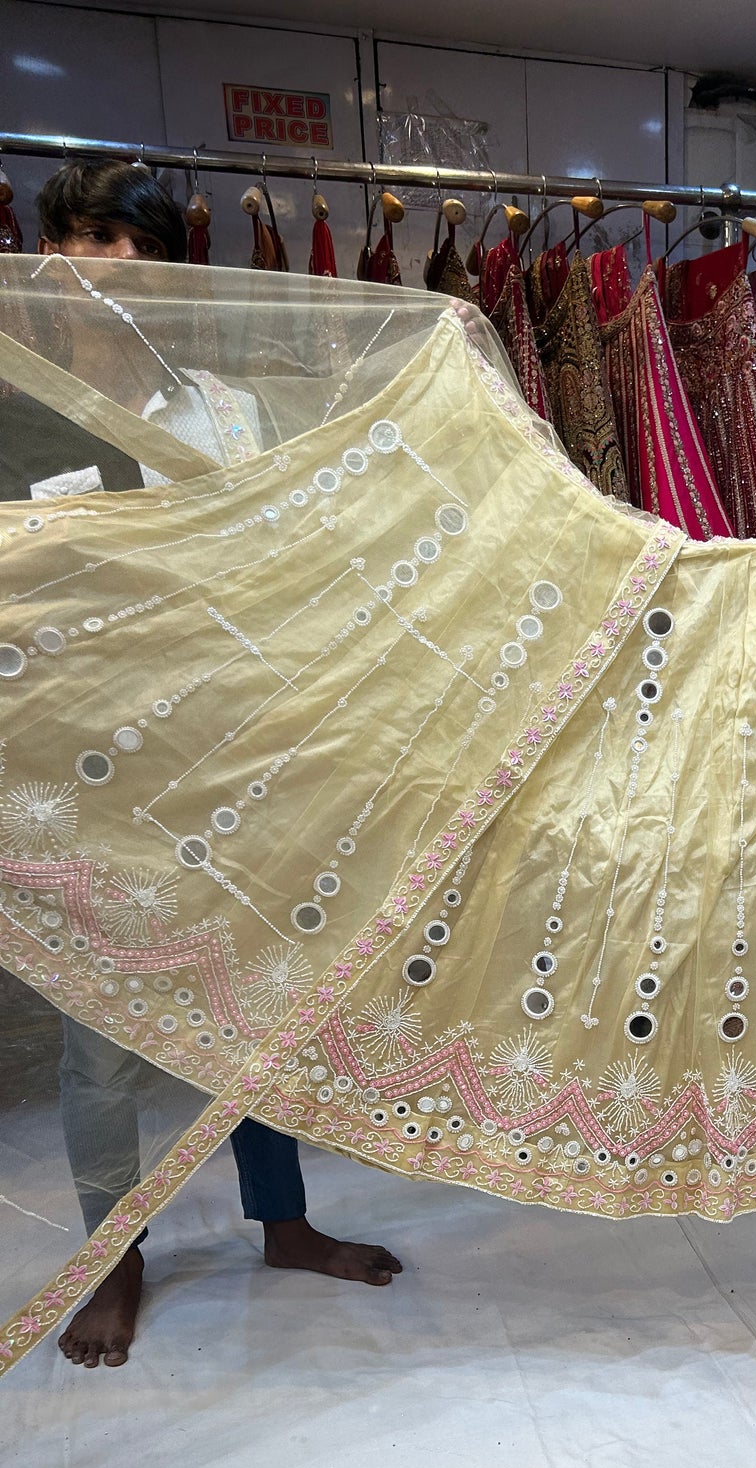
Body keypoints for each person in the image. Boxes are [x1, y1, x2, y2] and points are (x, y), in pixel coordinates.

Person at [1, 160, 403, 1369]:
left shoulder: (226, 414)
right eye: (74, 239)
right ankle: (114, 1253)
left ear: (166, 269)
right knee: (100, 1037)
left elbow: (287, 568)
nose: (95, 263)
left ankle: (281, 1221)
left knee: (258, 1008)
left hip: (228, 757)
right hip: (81, 765)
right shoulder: (16, 410)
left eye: (121, 242)